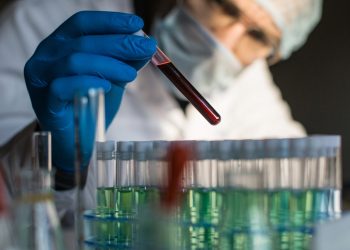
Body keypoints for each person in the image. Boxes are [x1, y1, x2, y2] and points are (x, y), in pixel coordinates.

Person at [0, 0, 322, 217]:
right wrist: (59, 163)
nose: (225, 40)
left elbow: (300, 180)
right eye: (222, 5)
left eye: (257, 34)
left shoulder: (249, 79)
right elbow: (12, 209)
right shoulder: (43, 17)